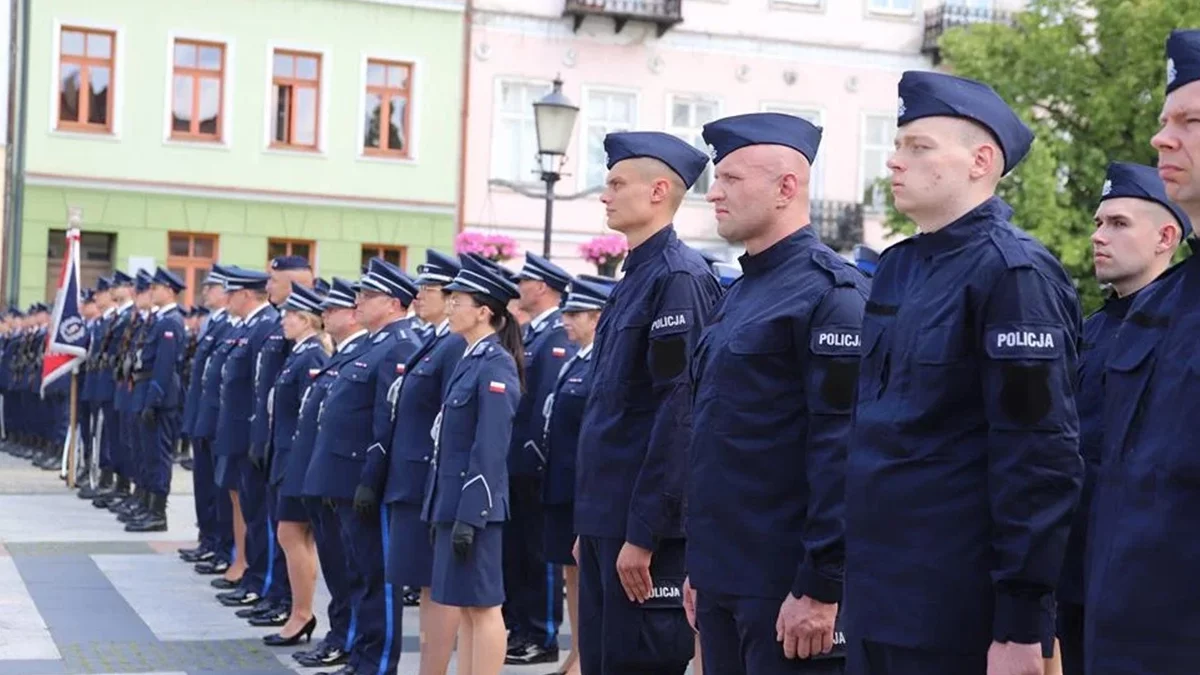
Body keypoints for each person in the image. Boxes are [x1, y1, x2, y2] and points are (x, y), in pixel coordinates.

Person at [843, 71, 1083, 675]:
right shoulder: (898, 268)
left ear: (981, 162)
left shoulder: (1014, 274)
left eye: (919, 146)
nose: (894, 161)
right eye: (897, 145)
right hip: (879, 596)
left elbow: (1038, 454)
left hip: (955, 607)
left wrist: (1022, 623)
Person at [685, 112, 868, 675]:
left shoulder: (831, 296)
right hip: (722, 577)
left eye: (732, 179)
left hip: (786, 588)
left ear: (787, 188)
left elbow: (841, 451)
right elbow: (716, 439)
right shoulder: (740, 293)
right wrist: (701, 567)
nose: (714, 192)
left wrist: (821, 585)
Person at [575, 131, 722, 675]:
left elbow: (678, 413)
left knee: (637, 663)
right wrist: (590, 524)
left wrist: (645, 533)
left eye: (617, 184)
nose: (605, 194)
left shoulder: (678, 278)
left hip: (641, 531)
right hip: (606, 520)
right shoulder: (635, 276)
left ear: (658, 191)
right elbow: (611, 410)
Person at [1085, 29, 1200, 673]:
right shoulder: (1161, 306)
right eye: (1164, 121)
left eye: (1191, 121)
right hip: (1124, 628)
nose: (1161, 139)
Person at [1052, 162, 1189, 675]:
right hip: (1078, 570)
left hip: (1147, 578)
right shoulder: (1090, 329)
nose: (1098, 236)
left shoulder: (1181, 329)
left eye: (1118, 223)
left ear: (1165, 237)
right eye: (1098, 223)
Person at [307, 258, 422, 675]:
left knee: (376, 578)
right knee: (357, 573)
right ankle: (361, 657)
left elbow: (385, 422)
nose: (358, 301)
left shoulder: (400, 345)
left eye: (368, 295)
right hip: (343, 478)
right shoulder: (374, 344)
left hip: (365, 480)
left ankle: (378, 664)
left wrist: (371, 481)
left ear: (393, 303)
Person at [360, 249, 466, 675]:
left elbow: (450, 420)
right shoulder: (434, 340)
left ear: (452, 296)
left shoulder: (453, 345)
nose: (418, 294)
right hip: (411, 477)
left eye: (429, 288)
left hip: (427, 479)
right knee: (423, 583)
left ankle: (433, 668)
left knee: (436, 585)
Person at [421, 255, 523, 675]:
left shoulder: (496, 363)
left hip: (474, 507)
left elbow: (490, 447)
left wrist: (471, 513)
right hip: (453, 500)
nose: (449, 307)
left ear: (483, 312)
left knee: (483, 607)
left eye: (457, 301)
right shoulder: (470, 359)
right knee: (465, 605)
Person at [289, 278, 370, 670]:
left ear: (353, 315)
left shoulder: (363, 352)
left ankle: (346, 638)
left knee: (349, 568)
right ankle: (339, 635)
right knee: (337, 567)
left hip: (345, 478)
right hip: (325, 474)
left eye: (333, 309)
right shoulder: (342, 354)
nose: (325, 314)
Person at [504, 252, 575, 666]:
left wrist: (533, 457)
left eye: (525, 282)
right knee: (517, 550)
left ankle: (542, 633)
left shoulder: (556, 336)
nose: (519, 288)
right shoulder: (533, 333)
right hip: (515, 460)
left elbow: (547, 403)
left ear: (543, 287)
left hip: (532, 462)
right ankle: (520, 627)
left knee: (537, 553)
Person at [542, 277, 611, 675]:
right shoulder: (577, 358)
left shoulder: (600, 359)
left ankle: (587, 654)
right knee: (570, 571)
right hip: (563, 483)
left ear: (597, 318)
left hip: (583, 487)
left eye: (575, 314)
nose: (566, 320)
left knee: (586, 575)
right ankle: (577, 649)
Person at [242, 255, 314, 626]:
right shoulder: (278, 325)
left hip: (289, 449)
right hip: (271, 438)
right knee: (267, 519)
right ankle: (272, 590)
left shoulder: (305, 341)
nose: (267, 286)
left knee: (287, 530)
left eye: (273, 280)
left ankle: (282, 596)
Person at [262, 283, 331, 646]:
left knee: (292, 534)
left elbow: (311, 416)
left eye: (290, 316)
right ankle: (299, 611)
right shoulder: (299, 353)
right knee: (291, 535)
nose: (284, 321)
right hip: (286, 455)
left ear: (306, 320)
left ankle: (302, 613)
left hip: (297, 459)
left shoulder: (312, 357)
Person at [214, 267, 280, 610]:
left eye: (231, 293)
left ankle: (261, 580)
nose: (226, 299)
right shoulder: (248, 326)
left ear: (245, 294)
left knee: (259, 514)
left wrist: (258, 437)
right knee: (245, 505)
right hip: (237, 432)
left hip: (251, 434)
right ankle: (250, 573)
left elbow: (262, 389)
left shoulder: (266, 326)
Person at [125, 268, 187, 532]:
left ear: (169, 291)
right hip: (145, 389)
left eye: (156, 287)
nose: (152, 292)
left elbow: (164, 365)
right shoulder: (160, 320)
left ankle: (158, 513)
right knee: (146, 452)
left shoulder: (171, 322)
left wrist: (154, 400)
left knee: (158, 455)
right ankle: (146, 505)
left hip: (158, 395)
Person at [179, 267, 233, 569]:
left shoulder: (228, 326)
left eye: (211, 287)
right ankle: (208, 539)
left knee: (217, 488)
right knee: (203, 484)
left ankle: (220, 545)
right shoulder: (214, 323)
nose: (204, 292)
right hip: (203, 415)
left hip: (216, 419)